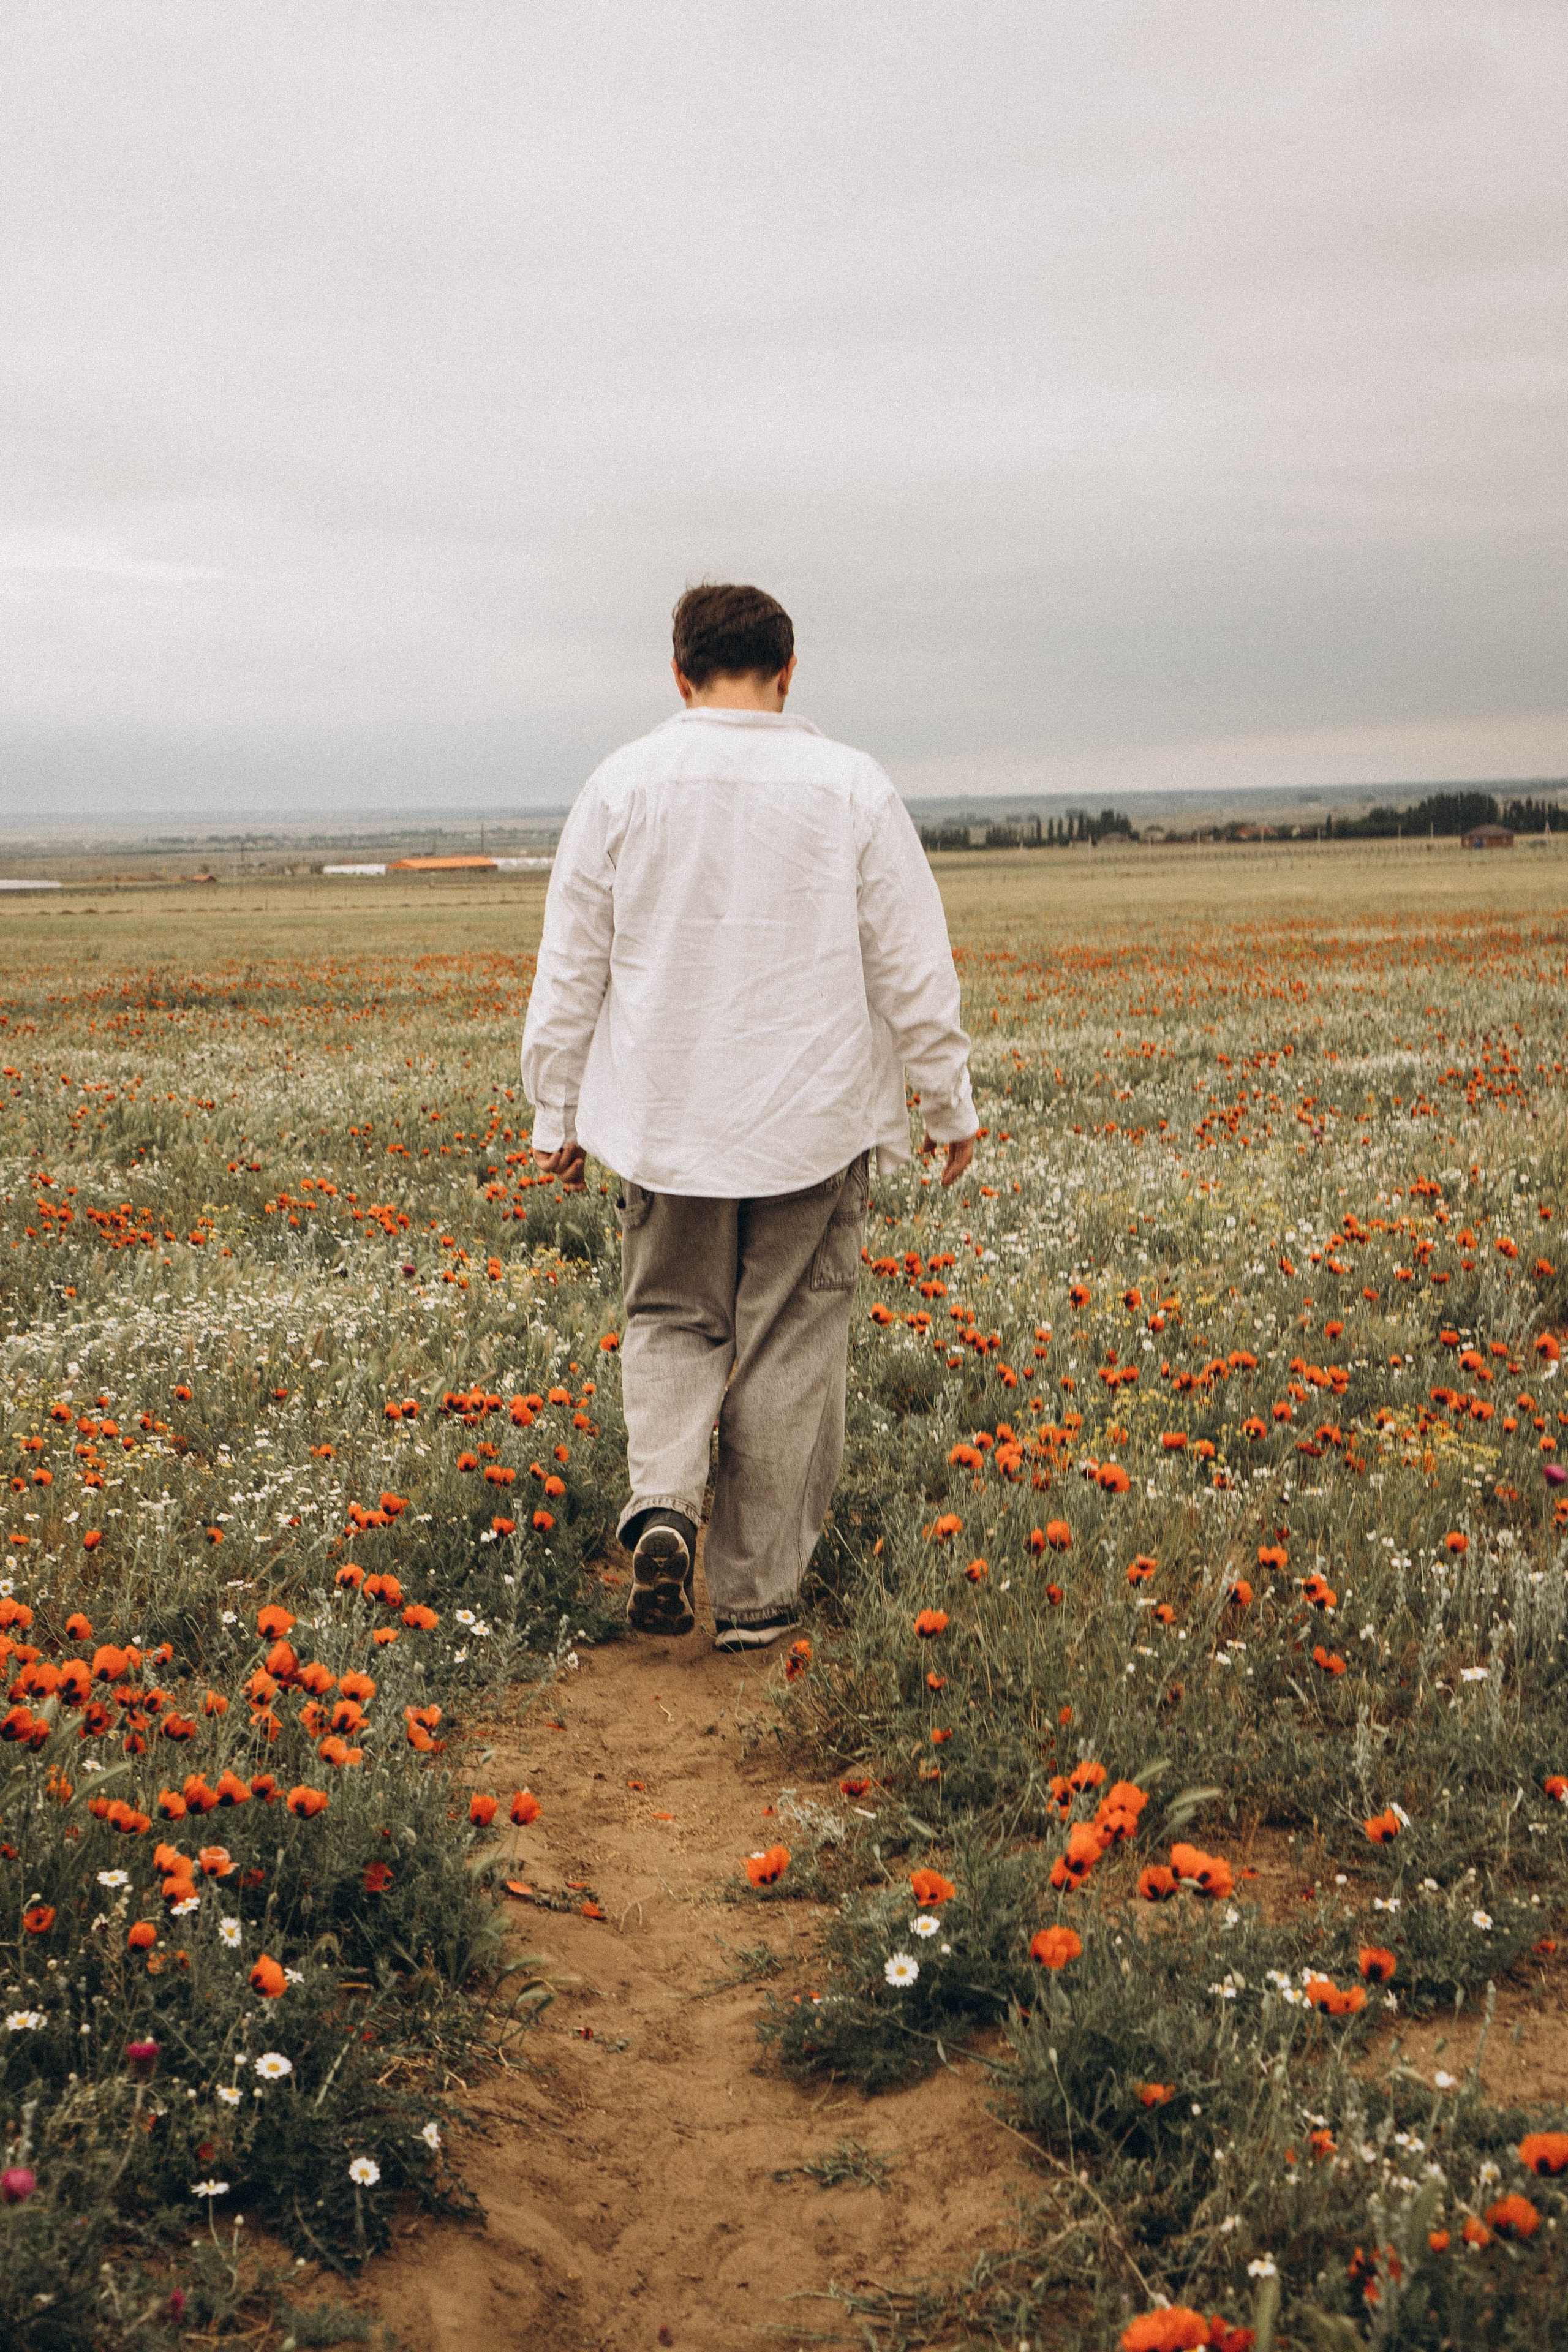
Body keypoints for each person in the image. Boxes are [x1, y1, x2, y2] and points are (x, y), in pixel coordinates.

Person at [520, 582, 977, 1651]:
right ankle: (759, 1601)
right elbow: (912, 961)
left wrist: (557, 1113)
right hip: (811, 1118)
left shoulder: (621, 784)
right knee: (789, 1342)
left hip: (663, 1118)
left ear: (679, 674)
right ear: (789, 670)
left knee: (671, 1318)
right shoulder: (851, 786)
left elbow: (570, 968)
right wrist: (947, 1096)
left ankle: (666, 1505)